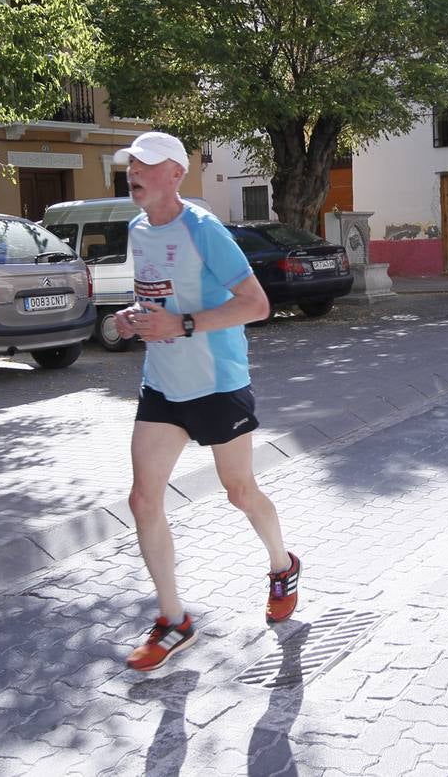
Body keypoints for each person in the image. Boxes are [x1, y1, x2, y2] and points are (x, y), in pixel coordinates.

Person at [113, 131, 301, 672]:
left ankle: (282, 563)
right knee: (143, 500)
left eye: (146, 166)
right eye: (132, 165)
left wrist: (184, 323)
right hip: (163, 384)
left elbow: (256, 304)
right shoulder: (137, 229)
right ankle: (174, 621)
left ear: (176, 173)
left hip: (217, 382)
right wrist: (133, 317)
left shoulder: (204, 229)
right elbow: (155, 296)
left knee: (239, 491)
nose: (135, 173)